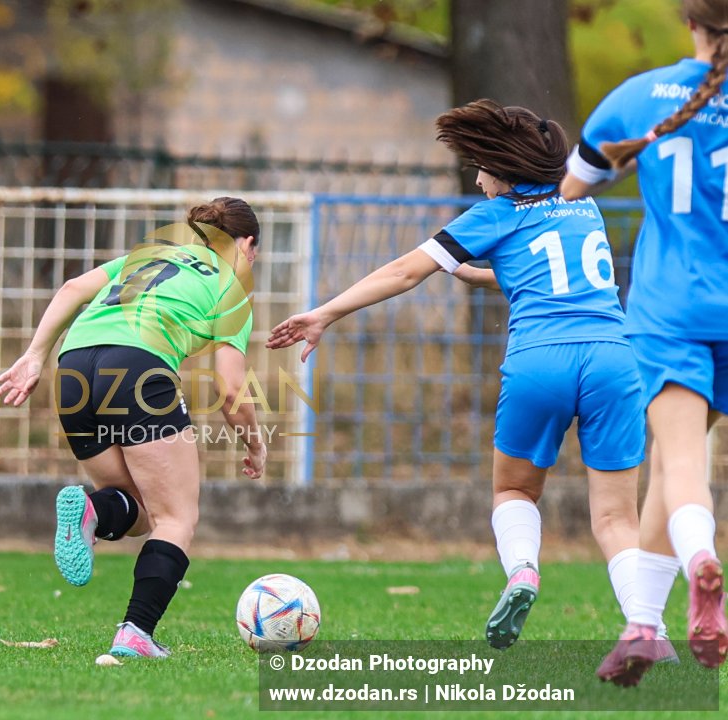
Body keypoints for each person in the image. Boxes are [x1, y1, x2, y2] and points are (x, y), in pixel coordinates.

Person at [268, 99, 670, 656]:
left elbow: (404, 272)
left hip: (540, 360)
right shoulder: (583, 208)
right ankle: (650, 630)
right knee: (616, 515)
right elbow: (548, 279)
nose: (477, 180)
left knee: (512, 489)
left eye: (479, 168)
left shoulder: (495, 213)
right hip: (613, 358)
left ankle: (523, 571)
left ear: (501, 171)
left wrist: (325, 313)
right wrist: (479, 272)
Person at [0, 197, 267, 659]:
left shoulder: (152, 252)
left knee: (138, 512)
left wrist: (35, 355)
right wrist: (255, 442)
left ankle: (93, 512)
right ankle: (136, 634)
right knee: (177, 518)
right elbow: (231, 388)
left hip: (75, 365)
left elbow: (71, 288)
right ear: (246, 244)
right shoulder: (232, 286)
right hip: (138, 371)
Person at [561, 0, 728, 684]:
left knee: (682, 463)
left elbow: (568, 198)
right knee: (669, 465)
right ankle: (642, 628)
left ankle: (701, 564)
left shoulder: (638, 99)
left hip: (669, 311)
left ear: (688, 20)